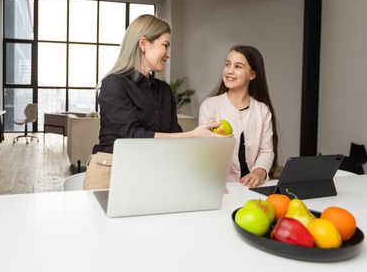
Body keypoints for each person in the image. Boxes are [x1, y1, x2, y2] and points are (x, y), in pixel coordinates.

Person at [93, 14, 224, 155]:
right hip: (114, 170)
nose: (168, 54)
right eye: (165, 45)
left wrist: (206, 138)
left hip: (152, 169)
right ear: (143, 43)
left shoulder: (164, 90)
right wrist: (193, 135)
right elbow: (132, 135)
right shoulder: (114, 84)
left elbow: (174, 135)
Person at [199, 45, 278, 188]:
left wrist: (258, 173)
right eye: (227, 64)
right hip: (220, 187)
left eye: (238, 66)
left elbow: (266, 151)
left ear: (252, 74)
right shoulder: (210, 106)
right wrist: (213, 181)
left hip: (253, 188)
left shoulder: (262, 110)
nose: (230, 71)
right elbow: (206, 151)